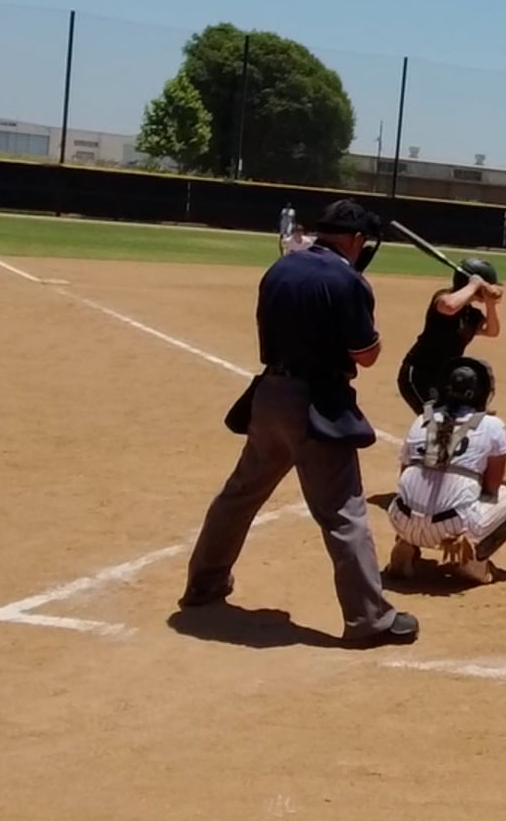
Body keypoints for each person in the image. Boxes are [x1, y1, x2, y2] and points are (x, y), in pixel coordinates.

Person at [178, 199, 417, 647]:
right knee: (344, 513)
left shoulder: (281, 268)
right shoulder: (348, 281)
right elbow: (365, 354)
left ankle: (204, 583)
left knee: (238, 496)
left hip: (268, 396)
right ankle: (369, 619)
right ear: (355, 240)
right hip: (317, 404)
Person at [384, 357, 506, 585]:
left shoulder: (422, 420)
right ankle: (474, 560)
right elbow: (491, 488)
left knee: (415, 487)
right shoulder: (492, 426)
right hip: (452, 527)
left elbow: (403, 475)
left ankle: (406, 544)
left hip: (401, 520)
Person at [397, 258, 503, 415]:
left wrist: (490, 303)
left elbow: (492, 331)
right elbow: (449, 307)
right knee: (434, 419)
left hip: (445, 376)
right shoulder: (443, 297)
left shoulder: (472, 314)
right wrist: (474, 285)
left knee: (453, 418)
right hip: (420, 373)